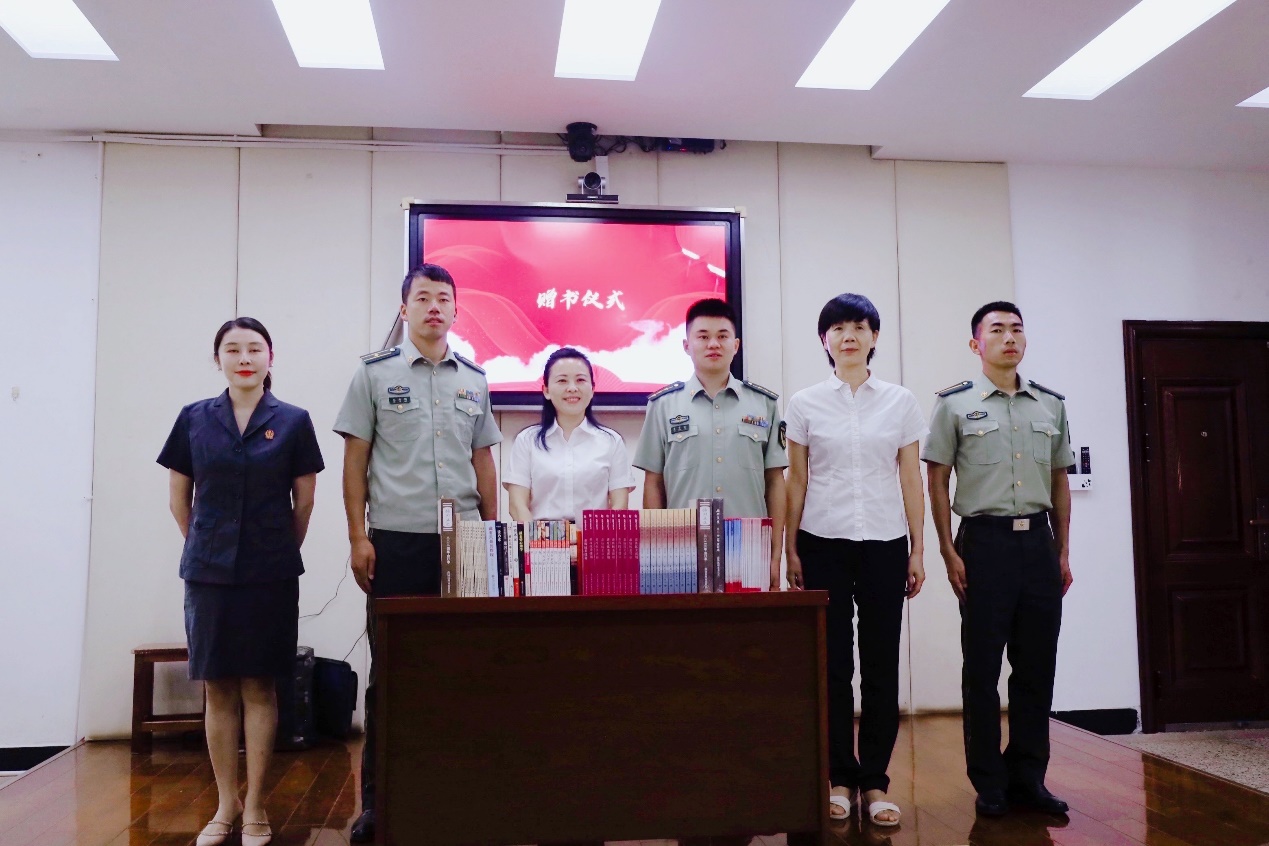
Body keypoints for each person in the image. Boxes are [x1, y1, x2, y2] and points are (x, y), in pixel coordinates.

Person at [333, 263, 501, 843]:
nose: (434, 307)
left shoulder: (474, 380)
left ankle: (461, 798)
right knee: (392, 677)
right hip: (397, 542)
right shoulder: (374, 375)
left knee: (464, 672)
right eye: (423, 298)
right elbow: (355, 461)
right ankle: (379, 807)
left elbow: (484, 462)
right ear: (405, 309)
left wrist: (493, 535)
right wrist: (358, 536)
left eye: (444, 298)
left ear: (455, 309)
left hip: (465, 543)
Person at [158, 317, 324, 846]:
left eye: (254, 348)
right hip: (207, 572)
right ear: (218, 360)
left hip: (270, 572)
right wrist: (205, 545)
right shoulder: (193, 418)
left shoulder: (293, 421)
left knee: (259, 685)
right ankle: (224, 804)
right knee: (218, 686)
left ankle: (255, 807)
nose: (244, 358)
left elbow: (305, 502)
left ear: (271, 357)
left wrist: (275, 550)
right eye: (233, 349)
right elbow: (179, 498)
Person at [921, 301, 1074, 818]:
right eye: (997, 330)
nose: (1009, 337)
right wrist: (948, 549)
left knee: (1037, 667)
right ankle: (989, 782)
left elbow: (1059, 480)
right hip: (984, 545)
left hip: (1038, 544)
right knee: (983, 668)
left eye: (1017, 329)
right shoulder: (954, 404)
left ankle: (1029, 777)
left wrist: (1062, 549)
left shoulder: (1049, 405)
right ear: (976, 344)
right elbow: (937, 479)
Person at [784, 293, 927, 827]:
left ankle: (875, 782)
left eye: (860, 326)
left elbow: (910, 477)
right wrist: (790, 547)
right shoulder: (804, 404)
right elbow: (797, 480)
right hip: (822, 540)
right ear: (824, 340)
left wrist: (918, 548)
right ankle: (839, 778)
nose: (849, 335)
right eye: (839, 327)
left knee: (881, 664)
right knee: (833, 665)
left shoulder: (900, 402)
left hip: (885, 543)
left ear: (874, 337)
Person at [633, 298, 788, 586]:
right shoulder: (663, 405)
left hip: (750, 549)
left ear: (736, 345)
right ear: (686, 345)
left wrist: (775, 555)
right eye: (703, 337)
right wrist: (658, 553)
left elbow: (775, 481)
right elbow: (653, 483)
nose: (713, 344)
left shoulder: (763, 404)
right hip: (682, 551)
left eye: (722, 336)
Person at [504, 347, 635, 523]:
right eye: (562, 381)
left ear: (592, 388)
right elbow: (517, 505)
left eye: (580, 380)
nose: (572, 388)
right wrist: (537, 536)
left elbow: (620, 506)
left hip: (593, 537)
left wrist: (589, 536)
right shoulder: (526, 441)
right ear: (546, 390)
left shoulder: (612, 442)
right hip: (541, 537)